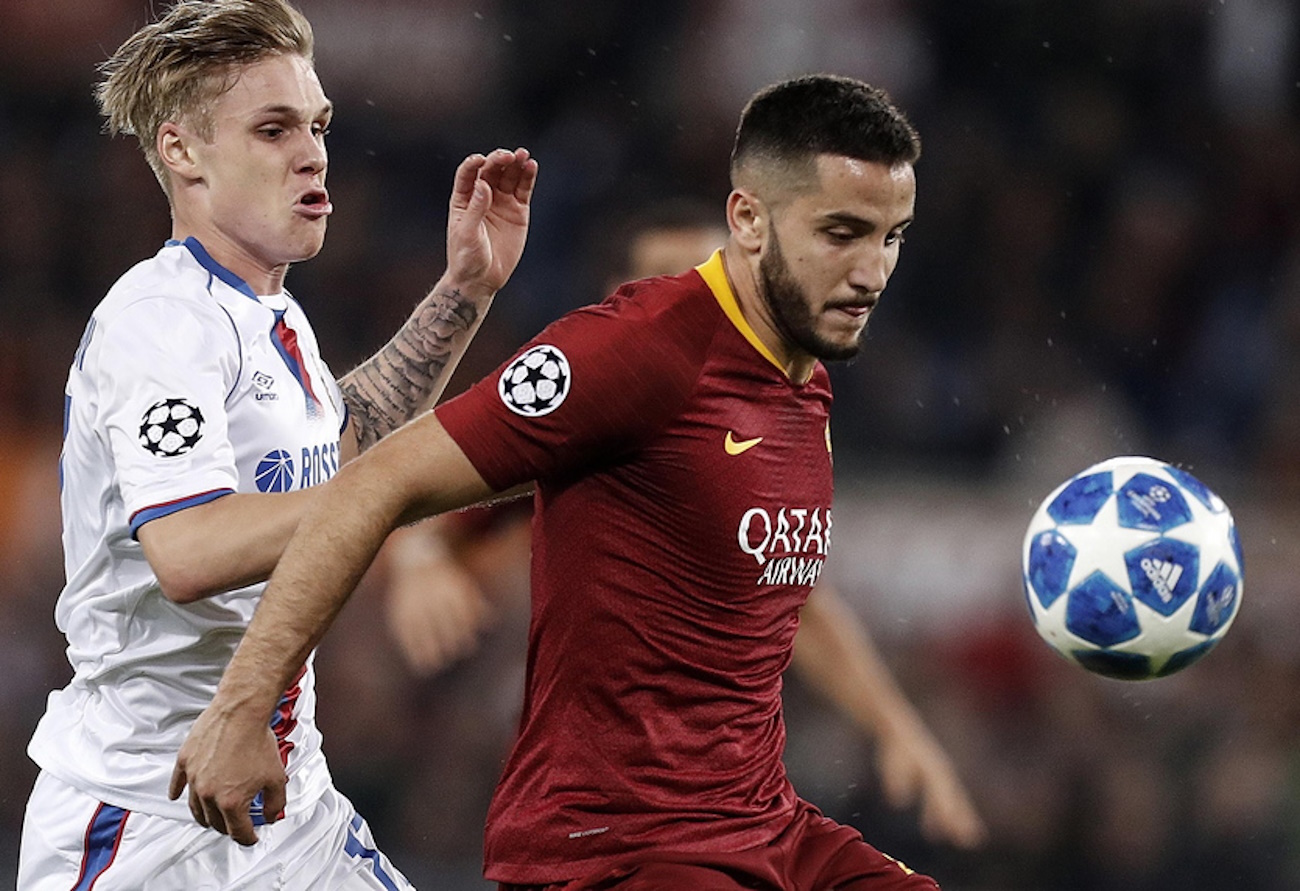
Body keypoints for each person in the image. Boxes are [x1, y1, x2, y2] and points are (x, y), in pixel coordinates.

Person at [174, 74, 946, 890]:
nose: (873, 271)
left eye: (892, 237)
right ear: (749, 220)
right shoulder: (639, 351)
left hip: (763, 823)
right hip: (614, 849)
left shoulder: (804, 376)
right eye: (842, 233)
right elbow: (376, 481)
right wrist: (243, 705)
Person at [17, 0, 537, 888]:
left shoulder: (268, 312)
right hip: (145, 818)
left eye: (319, 125)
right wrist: (403, 485)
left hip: (287, 799)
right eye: (273, 128)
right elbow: (187, 548)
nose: (314, 152)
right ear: (182, 151)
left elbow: (339, 446)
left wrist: (464, 290)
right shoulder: (161, 321)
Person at [382, 200, 985, 850]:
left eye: (704, 278)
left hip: (674, 790)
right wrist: (419, 563)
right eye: (664, 278)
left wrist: (897, 727)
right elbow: (411, 484)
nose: (689, 300)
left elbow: (798, 602)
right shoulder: (582, 401)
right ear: (617, 295)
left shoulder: (749, 423)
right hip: (534, 757)